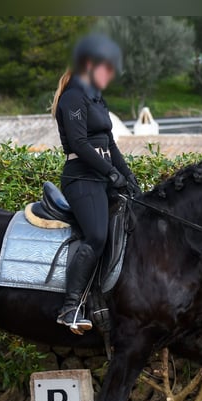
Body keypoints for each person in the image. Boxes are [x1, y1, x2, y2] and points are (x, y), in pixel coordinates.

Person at [51, 33, 141, 334]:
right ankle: (70, 307)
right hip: (81, 177)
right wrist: (108, 171)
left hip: (101, 176)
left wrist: (127, 176)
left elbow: (109, 143)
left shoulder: (95, 97)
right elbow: (78, 141)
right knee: (97, 235)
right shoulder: (73, 97)